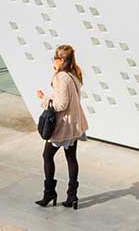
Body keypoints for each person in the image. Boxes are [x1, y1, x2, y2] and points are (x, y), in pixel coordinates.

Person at [34, 44, 88, 208]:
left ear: (61, 59)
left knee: (47, 156)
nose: (53, 61)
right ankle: (72, 196)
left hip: (64, 126)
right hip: (75, 124)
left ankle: (49, 193)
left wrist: (44, 99)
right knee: (71, 158)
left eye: (55, 58)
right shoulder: (74, 74)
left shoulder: (61, 78)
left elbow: (61, 105)